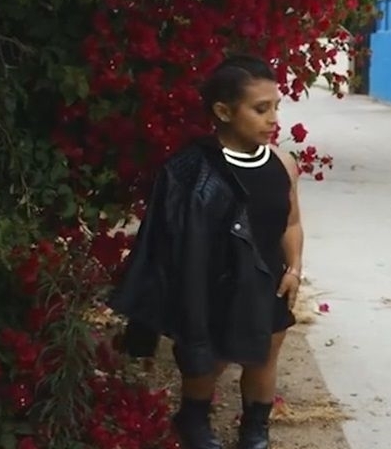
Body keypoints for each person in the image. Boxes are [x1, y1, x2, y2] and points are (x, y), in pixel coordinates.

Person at [108, 55, 305, 449]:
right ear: (223, 111)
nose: (273, 119)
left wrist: (295, 268)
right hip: (209, 284)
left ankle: (255, 428)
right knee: (207, 360)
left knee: (264, 356)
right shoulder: (188, 171)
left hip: (266, 280)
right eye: (260, 109)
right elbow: (165, 241)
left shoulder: (283, 164)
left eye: (276, 107)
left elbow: (292, 223)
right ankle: (194, 419)